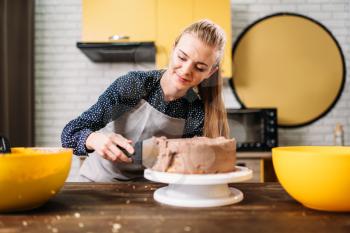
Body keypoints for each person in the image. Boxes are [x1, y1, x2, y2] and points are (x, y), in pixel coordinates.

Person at [61, 19, 229, 182]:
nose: (186, 71)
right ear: (173, 49)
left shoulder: (195, 110)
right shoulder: (134, 85)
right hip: (99, 183)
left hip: (149, 191)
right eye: (182, 58)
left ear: (210, 72)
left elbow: (183, 165)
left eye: (199, 68)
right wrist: (94, 139)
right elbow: (70, 134)